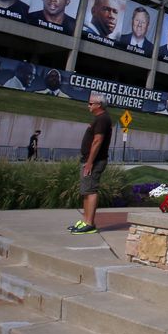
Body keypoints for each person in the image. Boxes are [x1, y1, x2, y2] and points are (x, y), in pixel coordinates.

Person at [70, 92, 113, 235]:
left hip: (94, 161)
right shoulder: (99, 118)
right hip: (89, 160)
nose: (88, 105)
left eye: (90, 103)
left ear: (99, 105)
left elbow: (97, 141)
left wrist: (90, 163)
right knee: (86, 191)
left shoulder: (102, 119)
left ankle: (90, 223)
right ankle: (85, 220)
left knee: (91, 190)